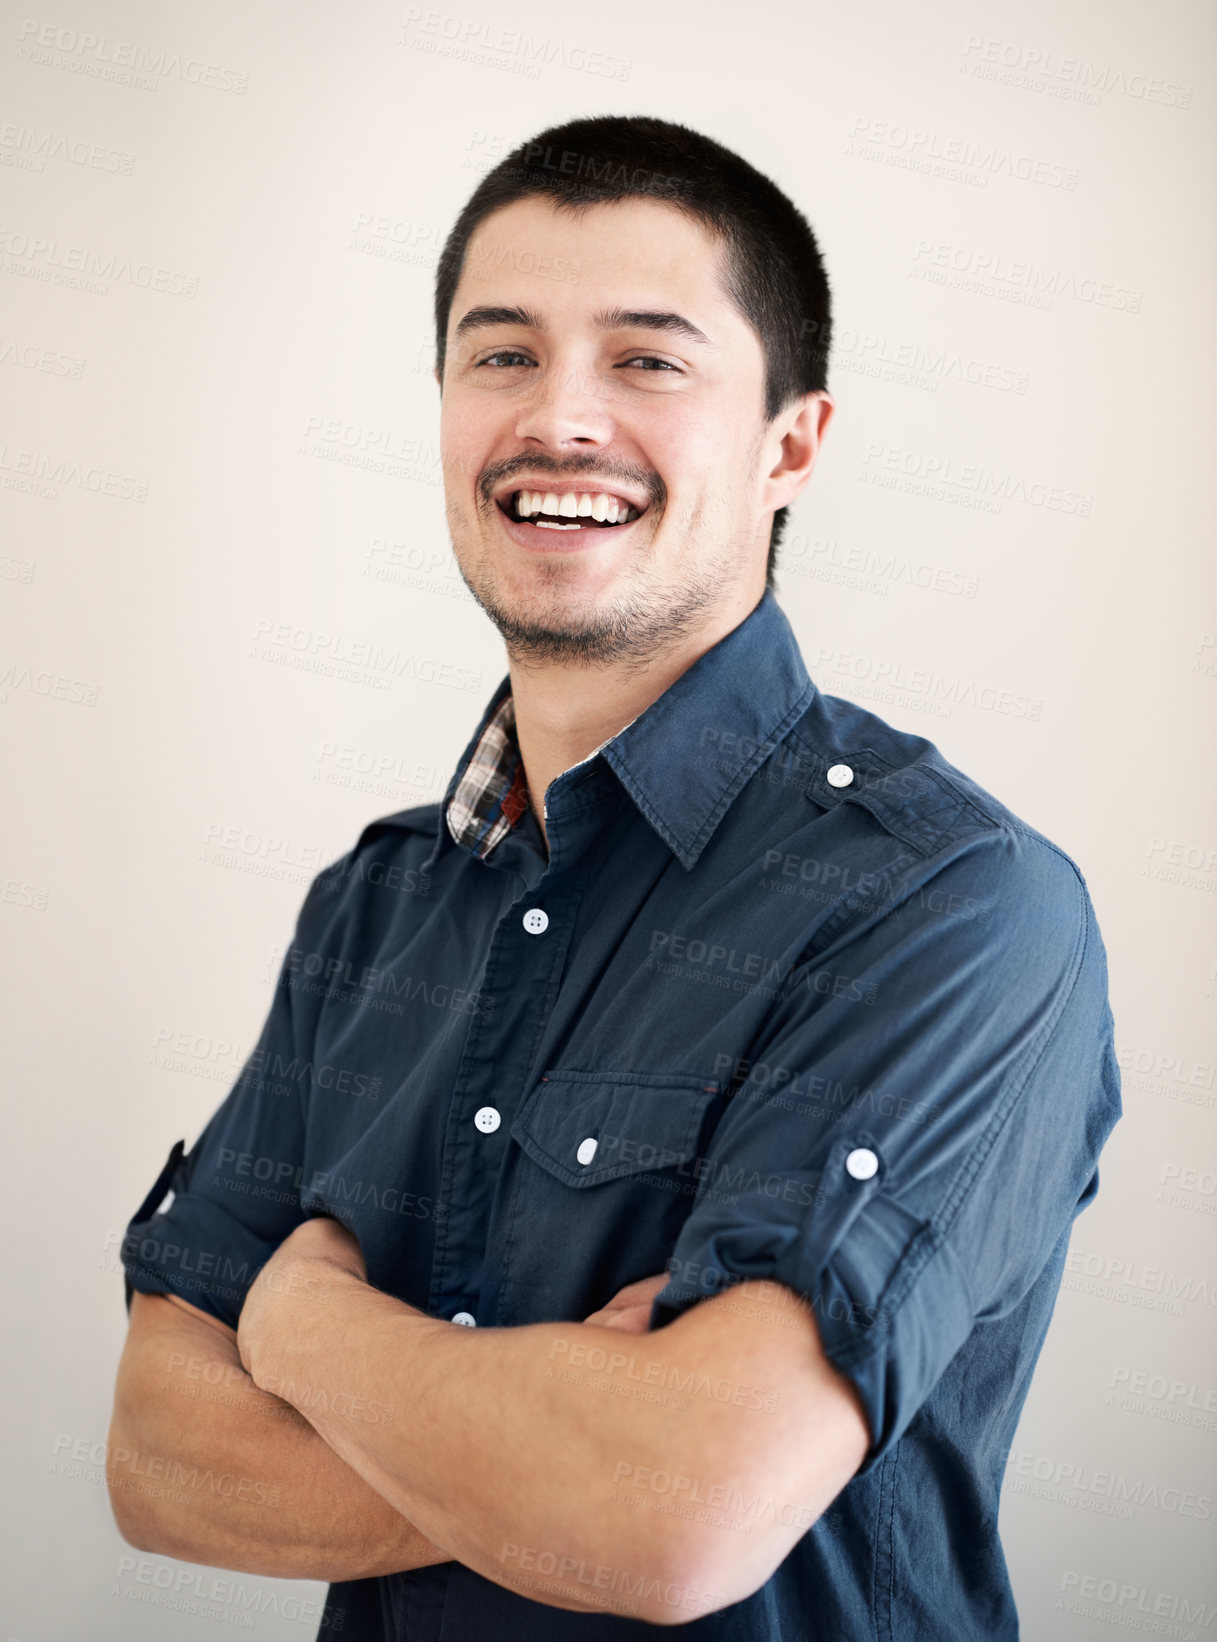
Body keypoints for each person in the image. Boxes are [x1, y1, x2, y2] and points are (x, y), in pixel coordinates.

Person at [107, 115, 1121, 1639]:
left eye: (647, 360)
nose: (557, 418)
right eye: (499, 355)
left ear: (790, 445)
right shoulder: (371, 905)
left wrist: (304, 1321)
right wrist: (574, 1450)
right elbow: (157, 1461)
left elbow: (674, 1518)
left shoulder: (954, 905)